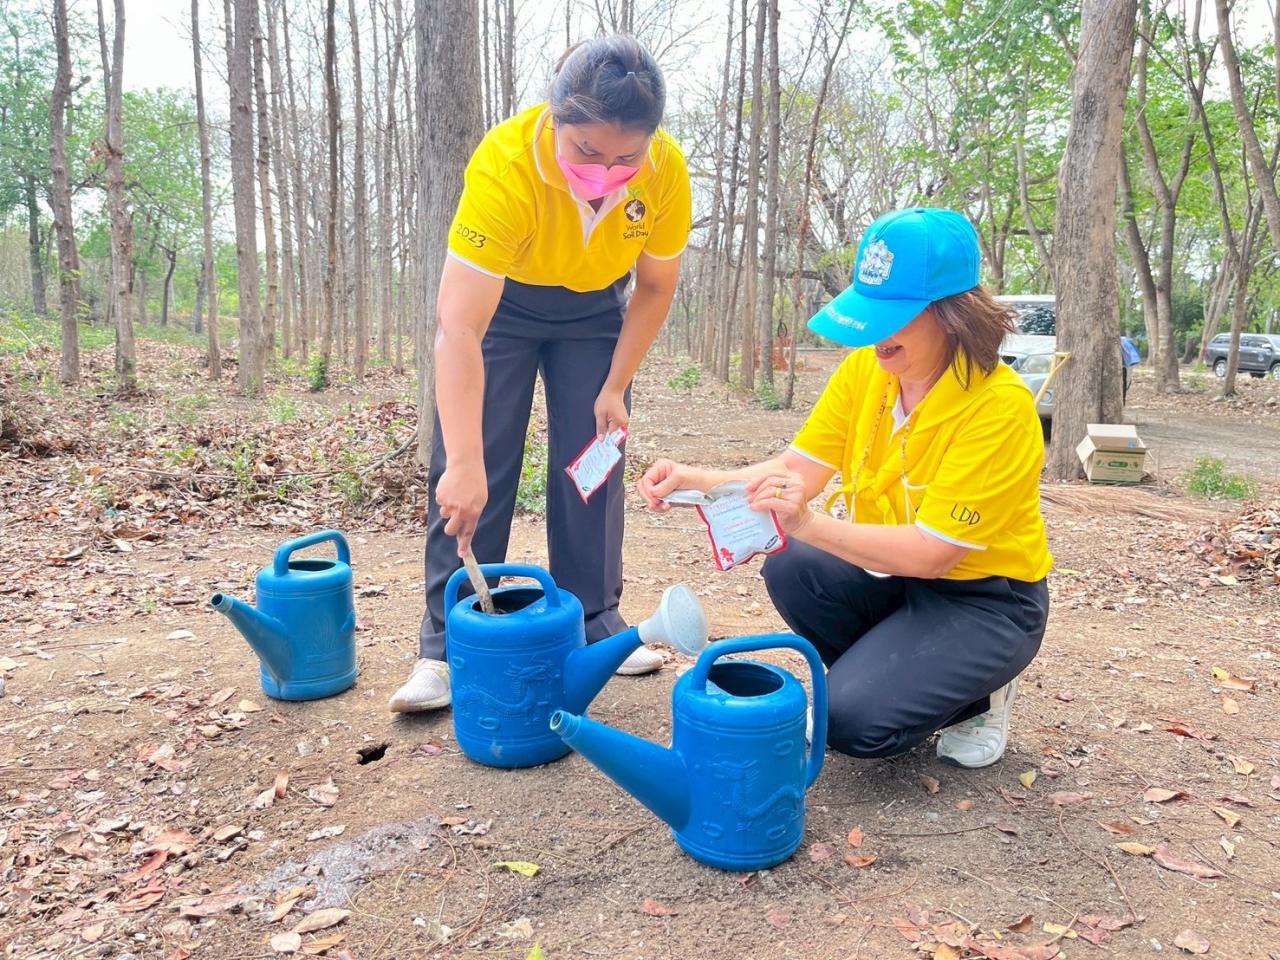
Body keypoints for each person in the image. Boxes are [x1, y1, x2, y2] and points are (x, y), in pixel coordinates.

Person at [638, 208, 1052, 768]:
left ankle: (976, 697)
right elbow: (797, 469)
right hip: (892, 576)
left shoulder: (999, 408)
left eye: (893, 315)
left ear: (953, 314)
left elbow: (933, 555)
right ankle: (894, 670)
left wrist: (808, 522)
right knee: (792, 564)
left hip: (984, 598)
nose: (875, 334)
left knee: (851, 722)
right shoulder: (866, 372)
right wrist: (702, 482)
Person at [390, 36, 692, 712]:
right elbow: (458, 327)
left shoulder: (665, 171)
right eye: (586, 150)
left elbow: (655, 287)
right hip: (503, 308)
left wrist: (615, 384)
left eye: (626, 158)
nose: (606, 171)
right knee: (476, 467)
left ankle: (595, 622)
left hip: (597, 310)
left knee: (593, 463)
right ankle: (445, 644)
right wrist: (462, 460)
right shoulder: (506, 163)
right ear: (557, 118)